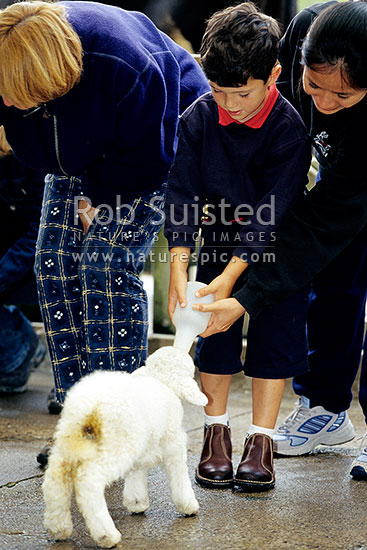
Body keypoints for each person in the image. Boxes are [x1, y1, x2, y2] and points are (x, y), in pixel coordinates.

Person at [0, 1, 209, 465]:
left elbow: (150, 157)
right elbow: (28, 123)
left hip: (152, 146)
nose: (7, 105)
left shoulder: (123, 61)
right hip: (75, 142)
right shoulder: (12, 62)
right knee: (51, 264)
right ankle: (79, 418)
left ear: (53, 78)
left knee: (105, 264)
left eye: (16, 97)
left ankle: (116, 422)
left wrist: (96, 200)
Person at [193, 1, 367, 480]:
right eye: (313, 87)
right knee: (331, 284)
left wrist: (245, 298)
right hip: (317, 187)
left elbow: (325, 222)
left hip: (354, 183)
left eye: (344, 96)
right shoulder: (300, 35)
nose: (324, 105)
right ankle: (326, 409)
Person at [164, 2, 311, 491]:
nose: (229, 104)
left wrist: (231, 279)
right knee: (213, 335)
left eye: (241, 93)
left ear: (272, 75)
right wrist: (179, 274)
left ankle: (262, 439)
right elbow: (182, 193)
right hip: (219, 236)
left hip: (277, 248)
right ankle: (216, 430)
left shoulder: (289, 128)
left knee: (275, 336)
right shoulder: (198, 118)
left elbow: (273, 210)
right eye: (217, 90)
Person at [0, 125, 46, 395]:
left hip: (25, 260)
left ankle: (20, 349)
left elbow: (38, 232)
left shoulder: (31, 153)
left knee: (10, 379)